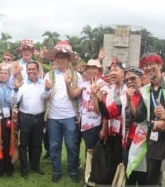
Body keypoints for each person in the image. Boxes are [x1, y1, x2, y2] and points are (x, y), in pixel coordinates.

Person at [139, 53, 165, 185]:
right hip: (154, 137)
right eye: (145, 65)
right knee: (152, 174)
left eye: (152, 64)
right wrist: (129, 101)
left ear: (160, 65)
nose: (148, 68)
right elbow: (139, 116)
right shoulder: (145, 90)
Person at [43, 40, 82, 183]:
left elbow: (75, 96)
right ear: (55, 59)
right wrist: (47, 89)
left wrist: (67, 84)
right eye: (58, 57)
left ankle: (73, 171)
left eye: (63, 57)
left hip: (70, 116)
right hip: (53, 116)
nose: (60, 59)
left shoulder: (77, 76)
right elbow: (44, 97)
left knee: (72, 145)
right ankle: (57, 170)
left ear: (68, 59)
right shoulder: (49, 75)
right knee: (54, 145)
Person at [11, 61, 46, 179]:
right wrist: (15, 89)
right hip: (25, 118)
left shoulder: (43, 83)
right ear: (26, 71)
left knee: (37, 144)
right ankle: (24, 169)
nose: (31, 71)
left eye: (33, 69)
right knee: (24, 145)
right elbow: (14, 101)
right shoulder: (22, 84)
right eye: (29, 69)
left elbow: (45, 96)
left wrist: (47, 89)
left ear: (38, 70)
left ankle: (35, 165)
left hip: (39, 117)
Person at [79, 59, 110, 186]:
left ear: (99, 71)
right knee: (89, 150)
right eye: (89, 68)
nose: (91, 70)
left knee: (94, 152)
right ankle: (91, 175)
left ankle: (92, 178)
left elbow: (103, 111)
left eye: (94, 68)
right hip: (85, 124)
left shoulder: (103, 85)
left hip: (96, 124)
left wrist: (103, 128)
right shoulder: (85, 83)